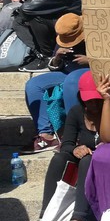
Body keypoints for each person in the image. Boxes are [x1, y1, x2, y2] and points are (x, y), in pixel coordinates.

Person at [24, 71, 104, 221]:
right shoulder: (77, 112)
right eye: (89, 100)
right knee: (60, 158)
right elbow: (67, 142)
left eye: (97, 99)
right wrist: (75, 148)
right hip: (83, 160)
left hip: (103, 167)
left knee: (87, 161)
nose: (93, 104)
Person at [23, 14, 89, 153]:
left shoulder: (95, 34)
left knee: (71, 82)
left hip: (89, 71)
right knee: (33, 85)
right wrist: (57, 58)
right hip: (66, 72)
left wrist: (90, 60)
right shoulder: (64, 33)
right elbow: (54, 66)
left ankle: (73, 136)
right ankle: (46, 135)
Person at [14, 0, 81, 72]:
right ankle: (40, 54)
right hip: (64, 29)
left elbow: (26, 9)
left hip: (75, 32)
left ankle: (46, 56)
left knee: (33, 17)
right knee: (21, 19)